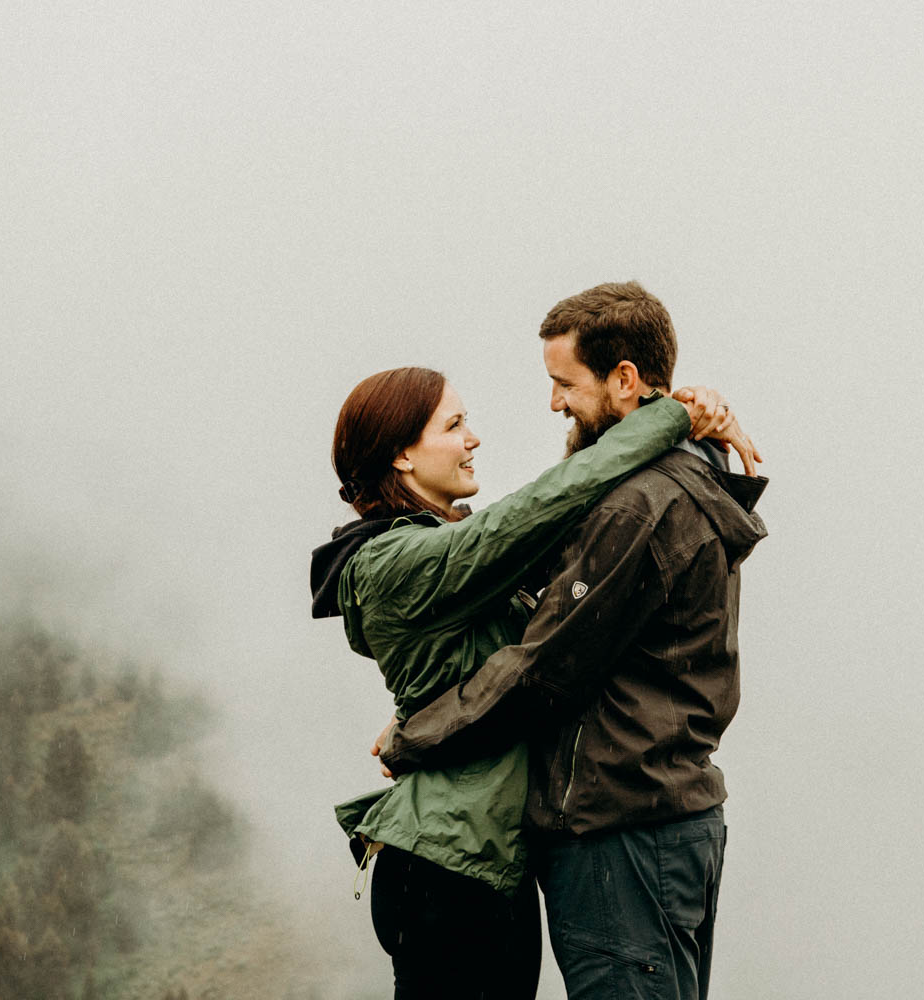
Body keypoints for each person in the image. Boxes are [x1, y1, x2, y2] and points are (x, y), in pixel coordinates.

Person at [310, 363, 756, 1000]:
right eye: (455, 424)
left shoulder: (443, 547)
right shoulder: (395, 559)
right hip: (447, 866)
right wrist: (672, 416)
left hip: (486, 865)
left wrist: (694, 415)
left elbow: (583, 537)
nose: (474, 439)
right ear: (404, 455)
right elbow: (549, 503)